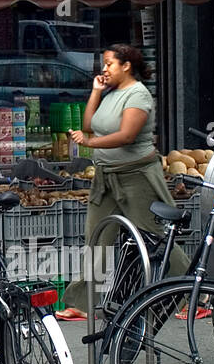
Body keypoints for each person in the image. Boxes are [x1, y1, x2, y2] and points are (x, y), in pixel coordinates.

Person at [56, 44, 188, 320]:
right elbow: (90, 123)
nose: (104, 69)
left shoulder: (138, 95)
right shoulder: (112, 93)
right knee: (95, 237)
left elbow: (127, 135)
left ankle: (192, 291)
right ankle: (83, 302)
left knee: (154, 236)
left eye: (109, 64)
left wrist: (90, 143)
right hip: (106, 178)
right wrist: (95, 91)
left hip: (136, 177)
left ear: (126, 65)